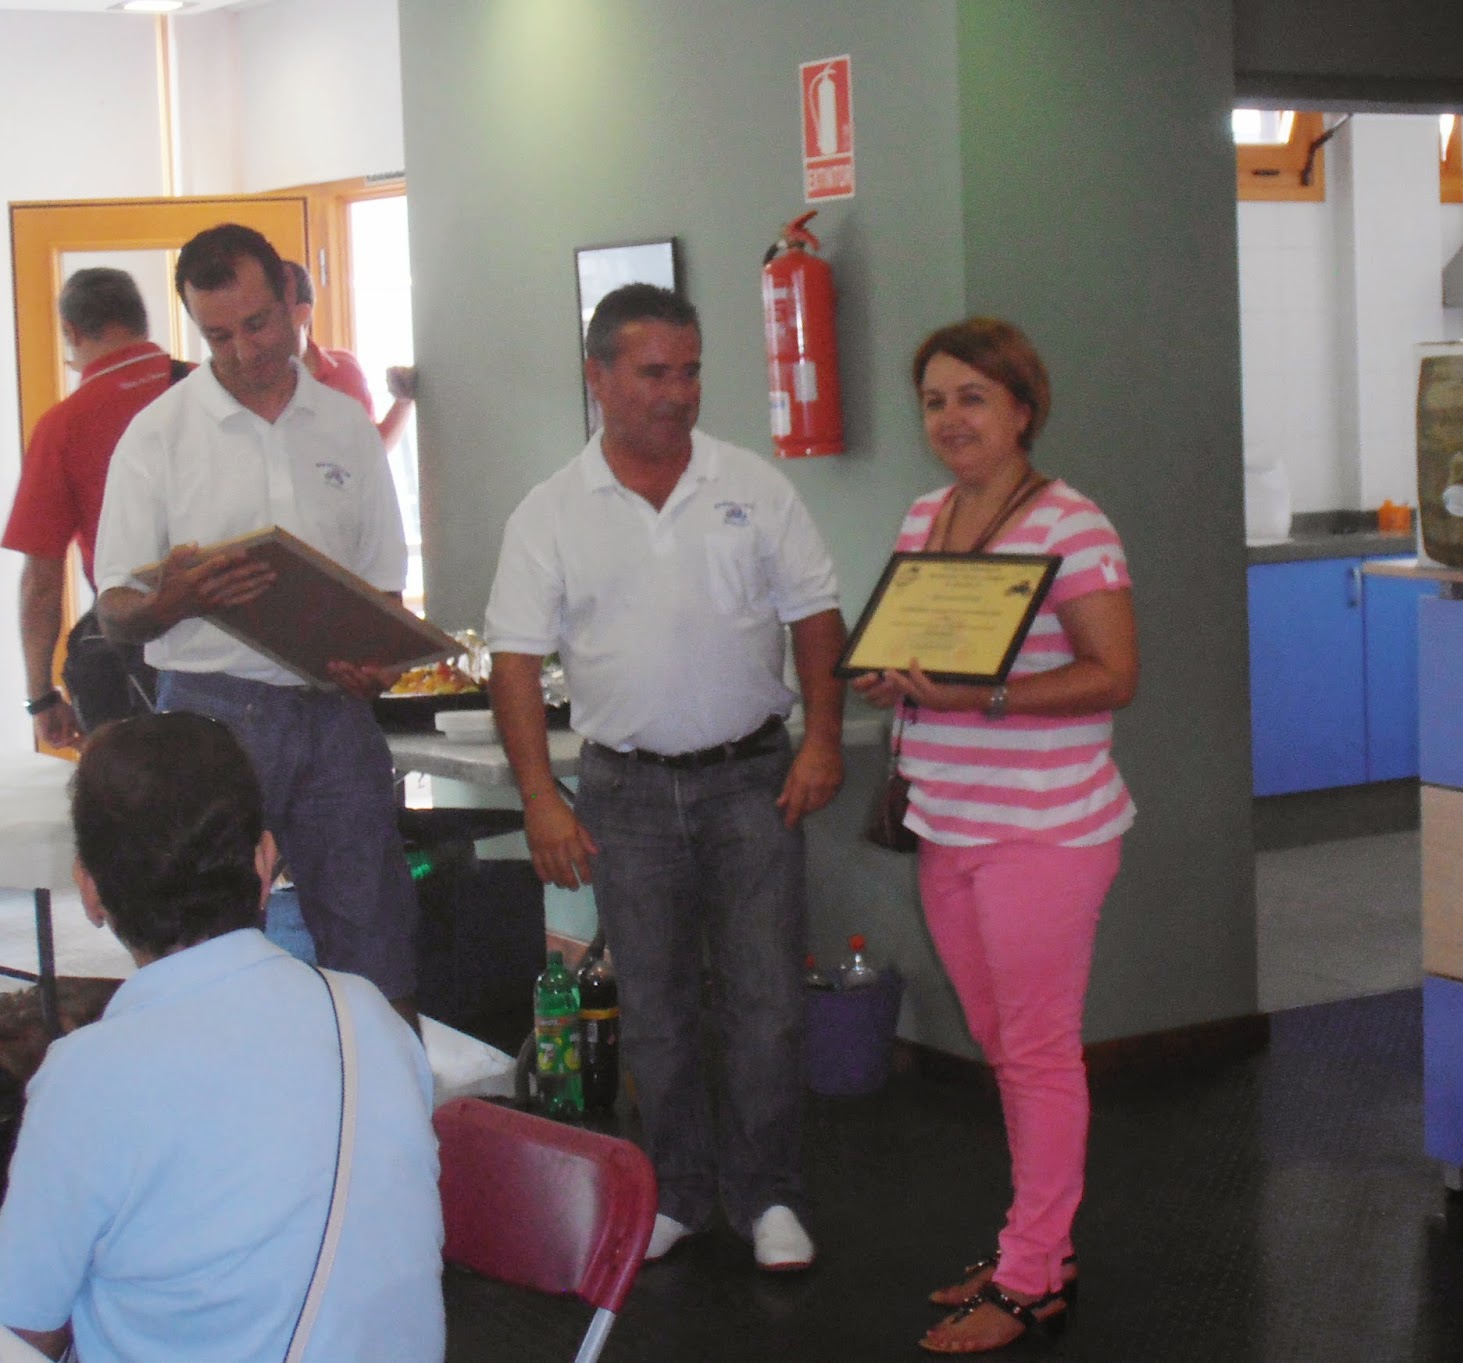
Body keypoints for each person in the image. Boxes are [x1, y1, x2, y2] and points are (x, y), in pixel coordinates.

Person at [485, 282, 846, 1272]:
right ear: (597, 377)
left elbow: (815, 616)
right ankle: (680, 1191)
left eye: (689, 371)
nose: (677, 392)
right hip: (625, 794)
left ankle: (769, 1193)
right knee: (654, 1007)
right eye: (653, 373)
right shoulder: (551, 512)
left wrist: (822, 737)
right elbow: (513, 661)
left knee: (767, 1000)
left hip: (752, 780)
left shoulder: (753, 487)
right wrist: (539, 797)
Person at [852, 318, 1138, 1355]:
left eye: (972, 396)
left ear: (1022, 407)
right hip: (948, 824)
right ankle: (1039, 1248)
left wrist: (987, 697)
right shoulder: (926, 515)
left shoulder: (1073, 523)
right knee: (1005, 1049)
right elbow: (923, 653)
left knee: (1037, 1051)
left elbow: (1114, 674)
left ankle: (1027, 1281)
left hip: (1044, 831)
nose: (950, 418)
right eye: (934, 400)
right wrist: (889, 677)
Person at [0, 711, 444, 1362]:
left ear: (89, 890)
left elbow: (20, 1327)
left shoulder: (86, 1077)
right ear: (265, 861)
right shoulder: (371, 1016)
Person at [92, 223, 423, 1030]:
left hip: (336, 713)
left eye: (257, 323)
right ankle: (224, 1096)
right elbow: (113, 609)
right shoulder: (159, 435)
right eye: (217, 335)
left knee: (377, 942)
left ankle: (390, 1097)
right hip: (210, 717)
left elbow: (383, 585)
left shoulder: (346, 426)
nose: (243, 351)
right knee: (201, 949)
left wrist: (376, 663)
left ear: (290, 301)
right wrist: (174, 600)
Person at [1, 268, 187, 747]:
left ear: (73, 332)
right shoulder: (203, 388)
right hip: (244, 629)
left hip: (139, 641)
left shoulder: (63, 426)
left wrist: (41, 697)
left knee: (143, 783)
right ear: (141, 320)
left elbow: (42, 583)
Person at [285, 260, 417, 453]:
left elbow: (372, 450)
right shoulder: (251, 377)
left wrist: (403, 401)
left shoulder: (343, 369)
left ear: (302, 314)